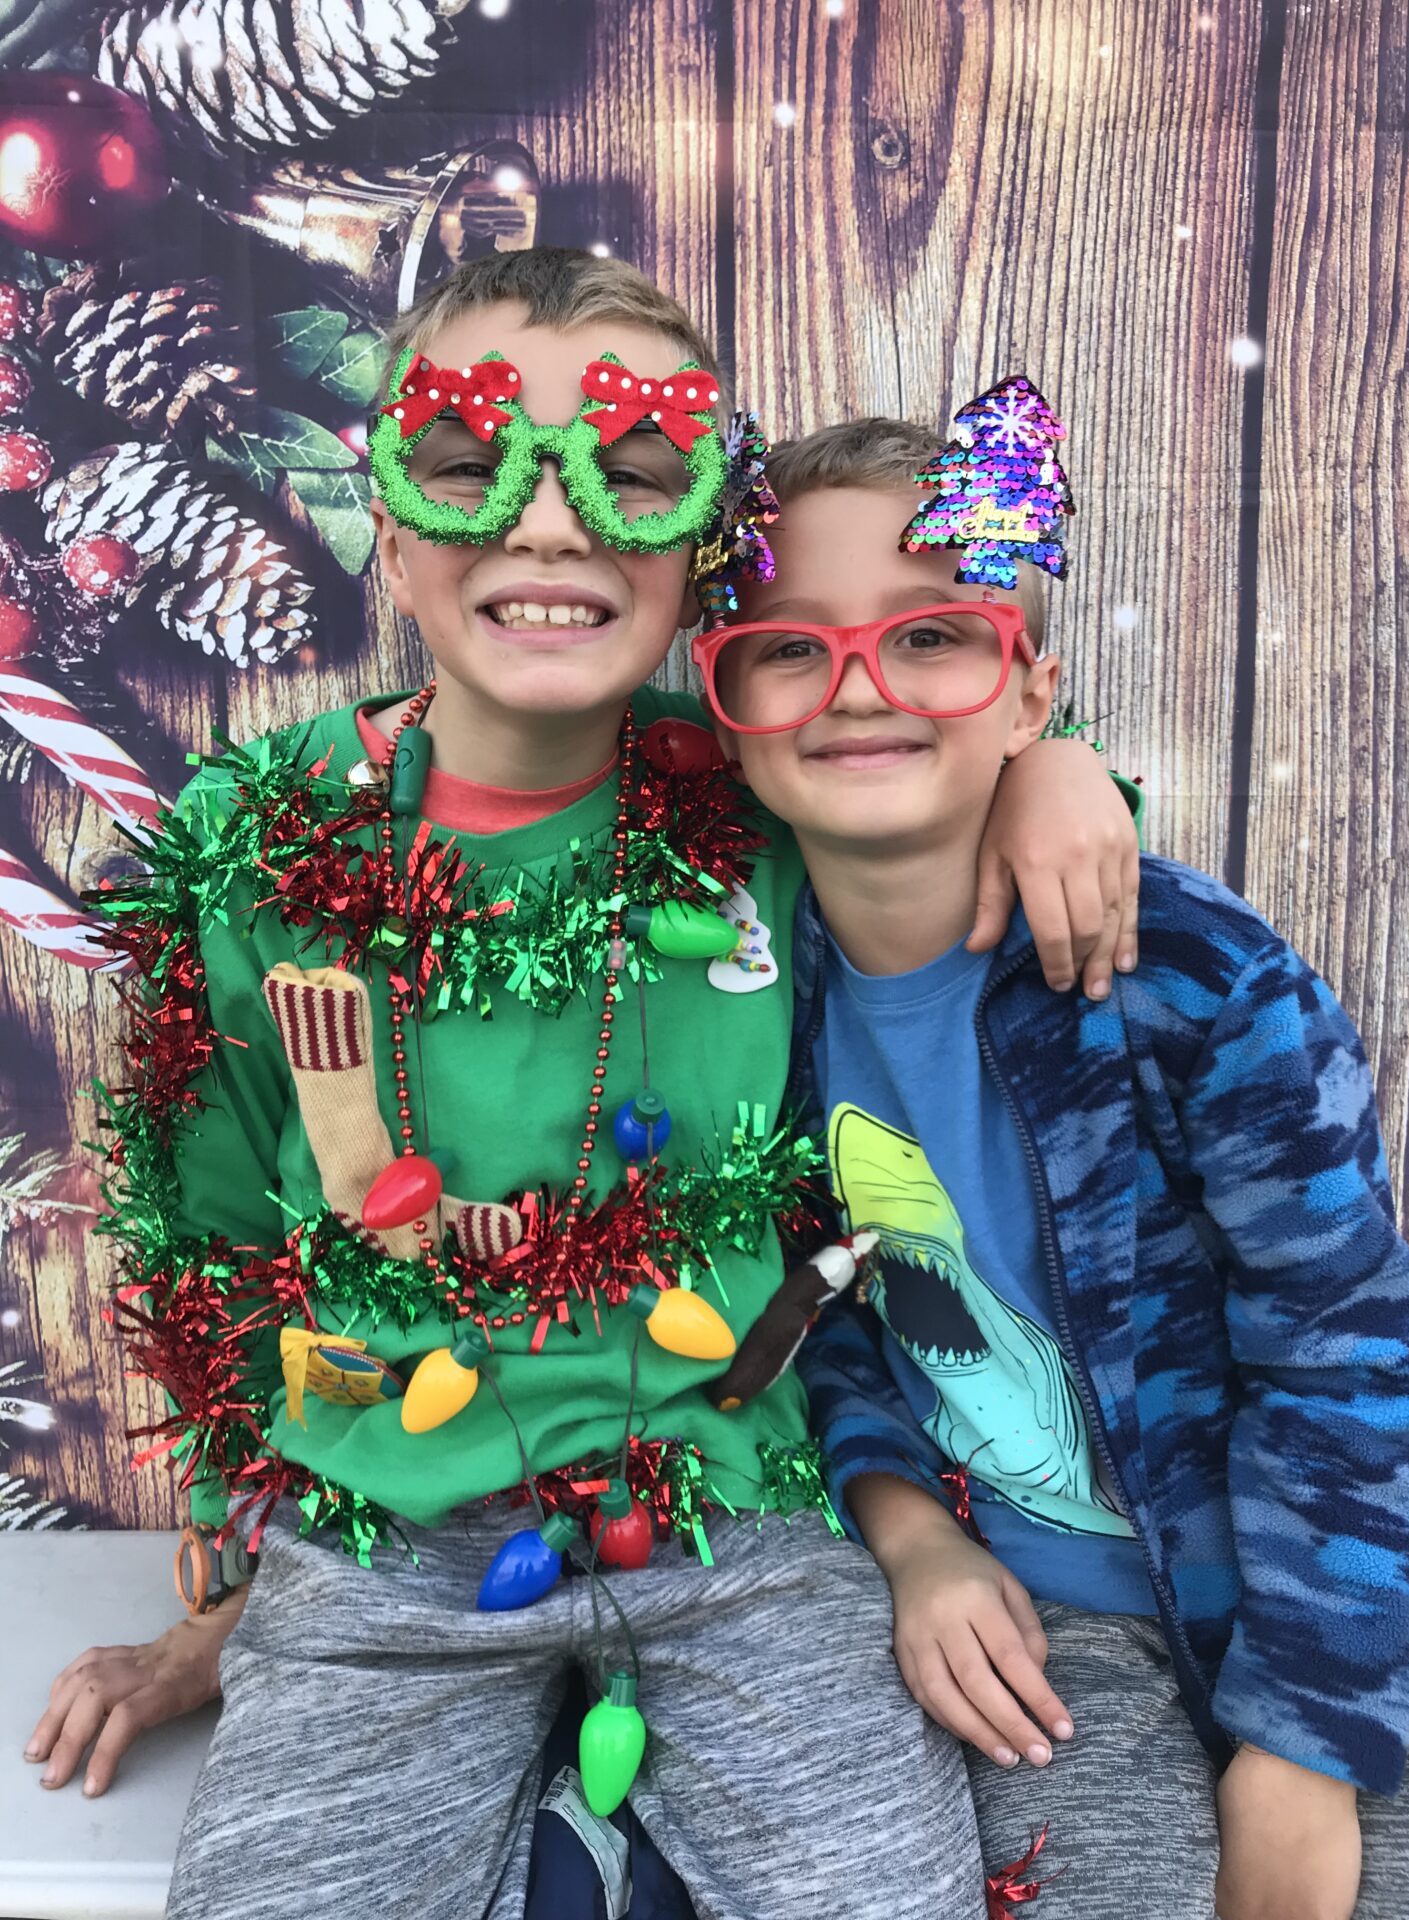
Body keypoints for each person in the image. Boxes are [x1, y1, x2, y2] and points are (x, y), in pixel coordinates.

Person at [21, 255, 1138, 1920]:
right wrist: (226, 1593)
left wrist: (1062, 769)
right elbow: (214, 1225)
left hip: (741, 1511)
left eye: (629, 473)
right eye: (467, 466)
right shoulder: (260, 842)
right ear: (388, 527)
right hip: (378, 1531)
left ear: (699, 552)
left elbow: (947, 782)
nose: (548, 525)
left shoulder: (767, 790)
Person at [695, 400, 1409, 1920]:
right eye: (788, 646)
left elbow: (1351, 1345)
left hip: (1328, 1600)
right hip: (1039, 1628)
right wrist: (909, 1530)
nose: (861, 685)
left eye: (931, 635)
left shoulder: (1193, 978)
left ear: (1033, 688)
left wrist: (1301, 1748)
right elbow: (820, 1318)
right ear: (723, 708)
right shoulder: (741, 1005)